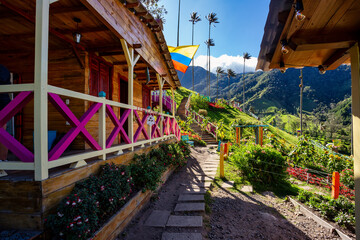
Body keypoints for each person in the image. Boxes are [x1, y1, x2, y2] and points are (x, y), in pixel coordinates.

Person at [0, 64, 11, 160]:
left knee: (2, 131)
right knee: (3, 131)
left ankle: (3, 159)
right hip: (4, 101)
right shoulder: (4, 69)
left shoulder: (2, 69)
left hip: (2, 101)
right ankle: (3, 159)